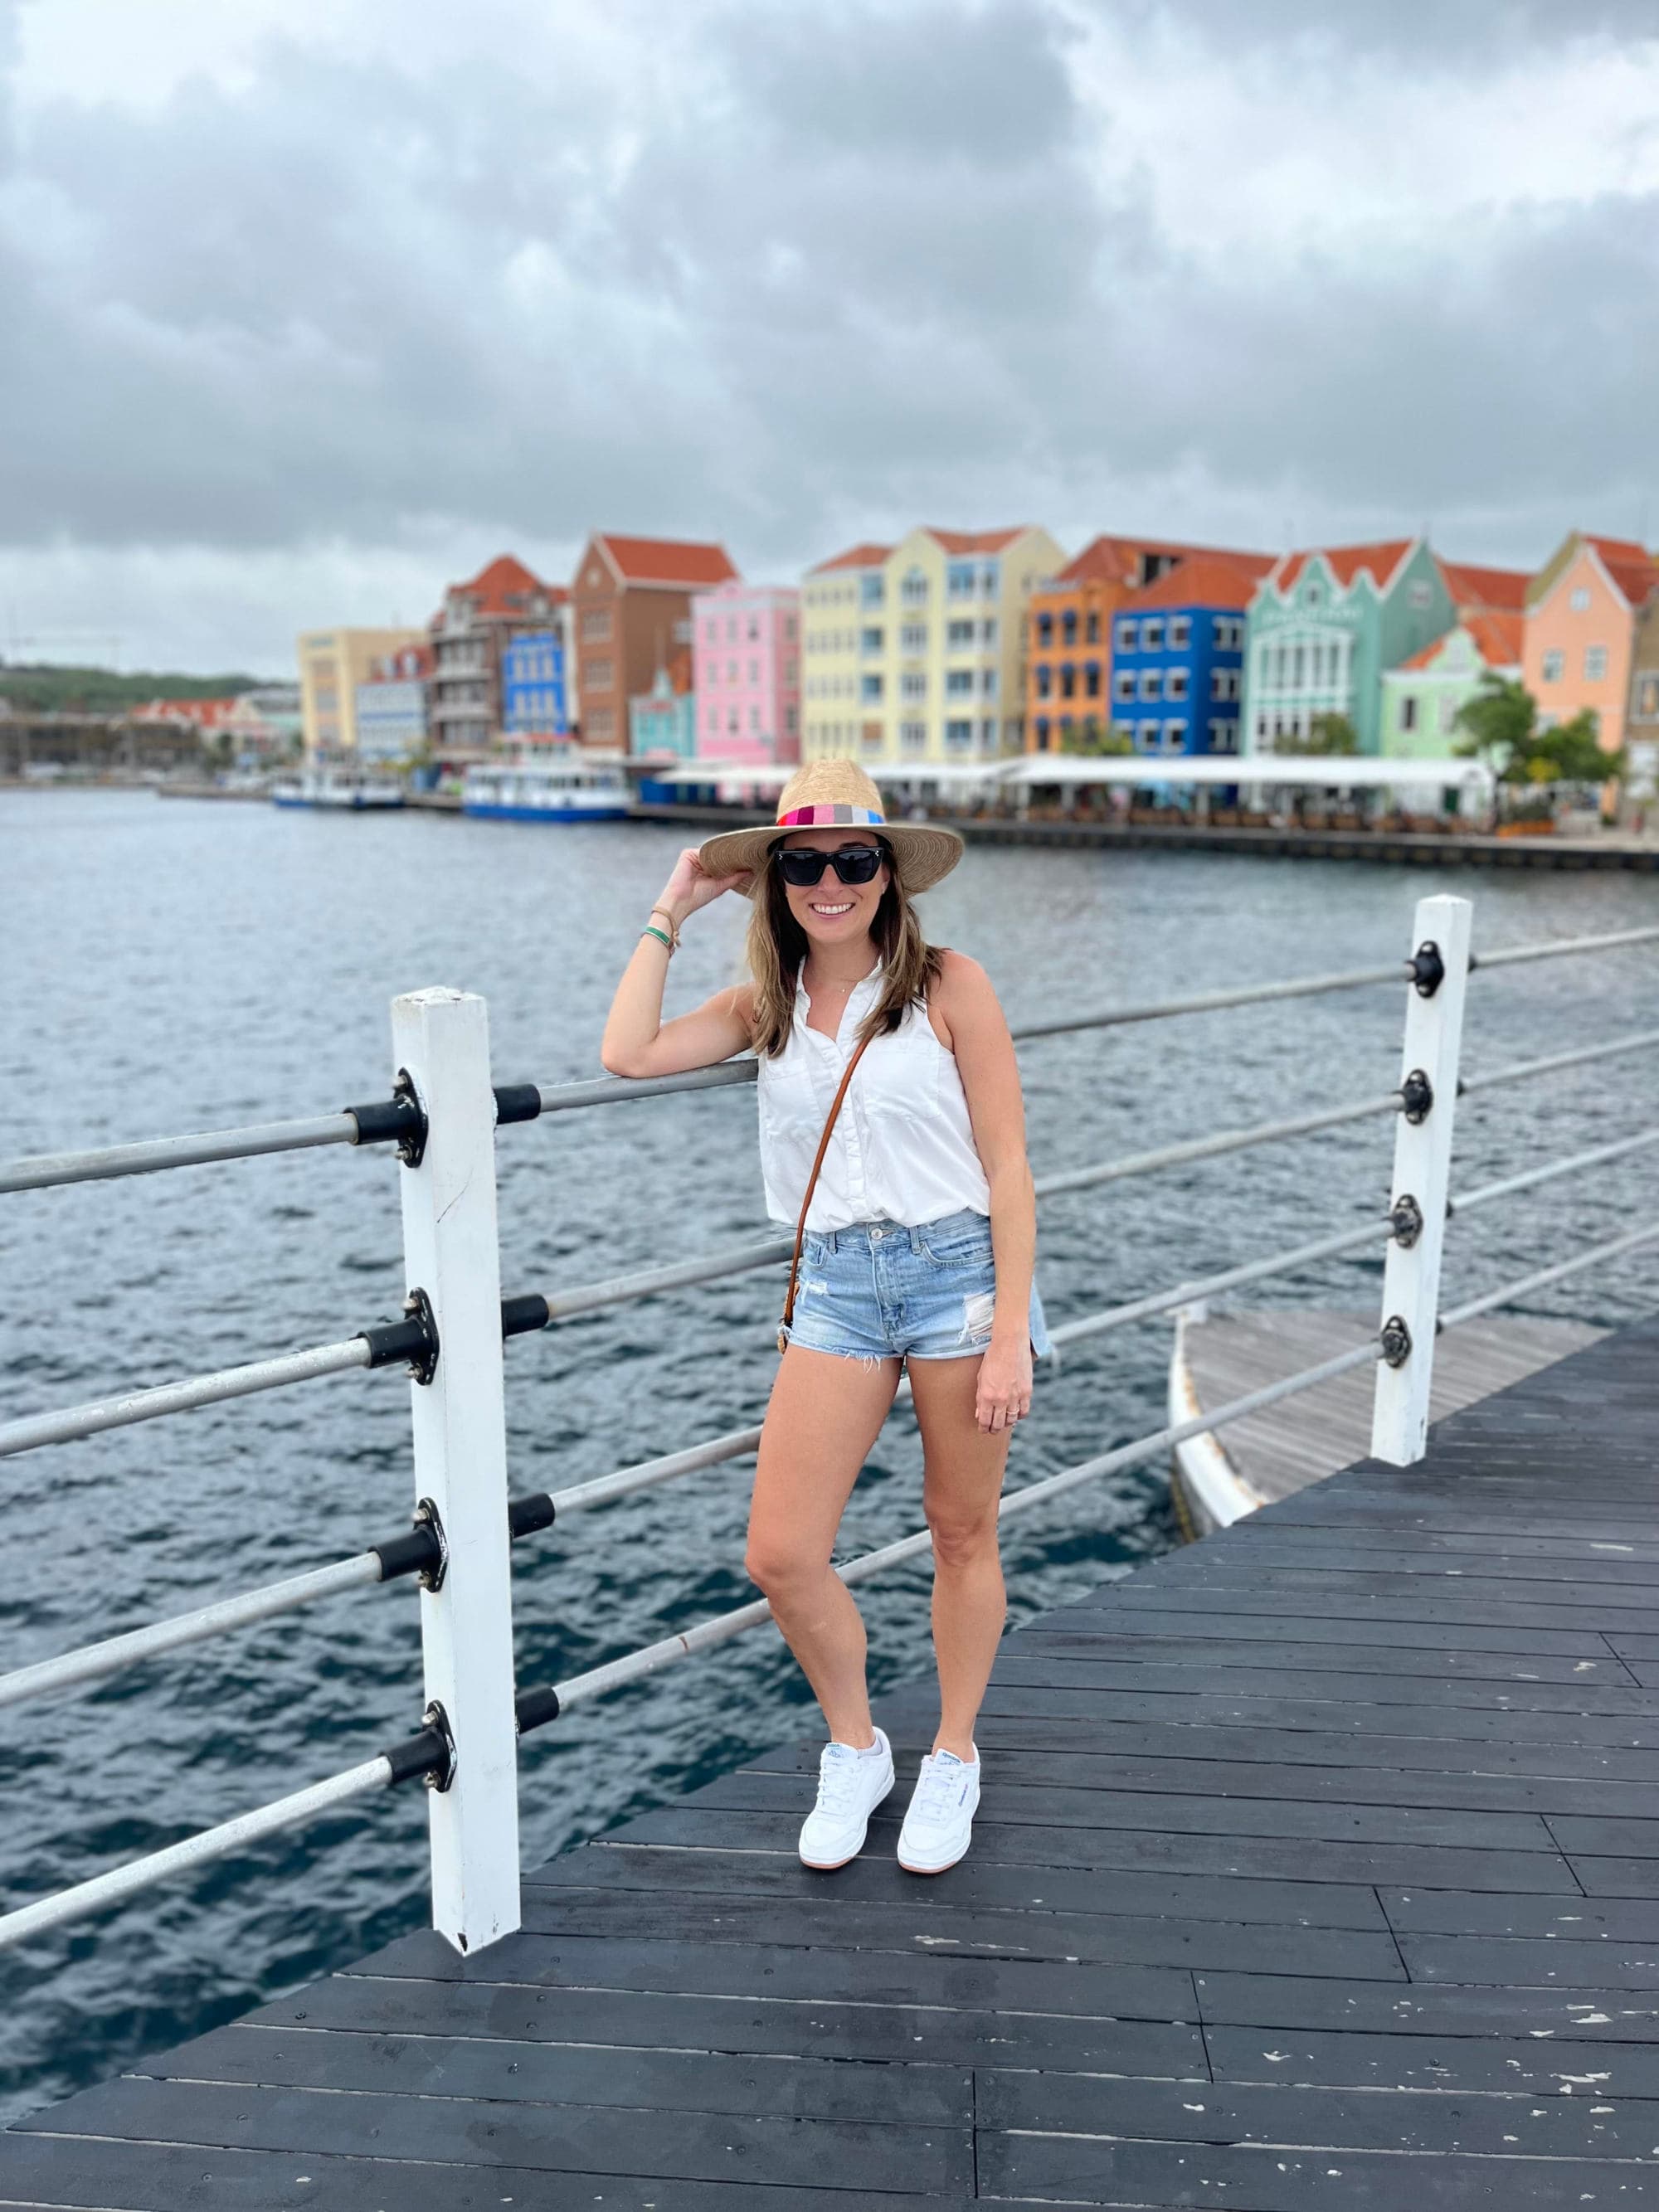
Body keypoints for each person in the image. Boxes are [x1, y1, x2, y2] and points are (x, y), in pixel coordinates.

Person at [601, 758, 1048, 1875]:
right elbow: (627, 1051)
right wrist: (671, 907)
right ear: (777, 880)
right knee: (782, 1553)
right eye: (803, 863)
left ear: (889, 873)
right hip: (836, 1285)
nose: (830, 882)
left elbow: (1010, 1167)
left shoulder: (952, 984)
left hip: (957, 1274)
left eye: (855, 860)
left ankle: (953, 1752)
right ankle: (857, 1747)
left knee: (960, 1531)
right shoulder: (765, 1005)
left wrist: (1007, 1337)